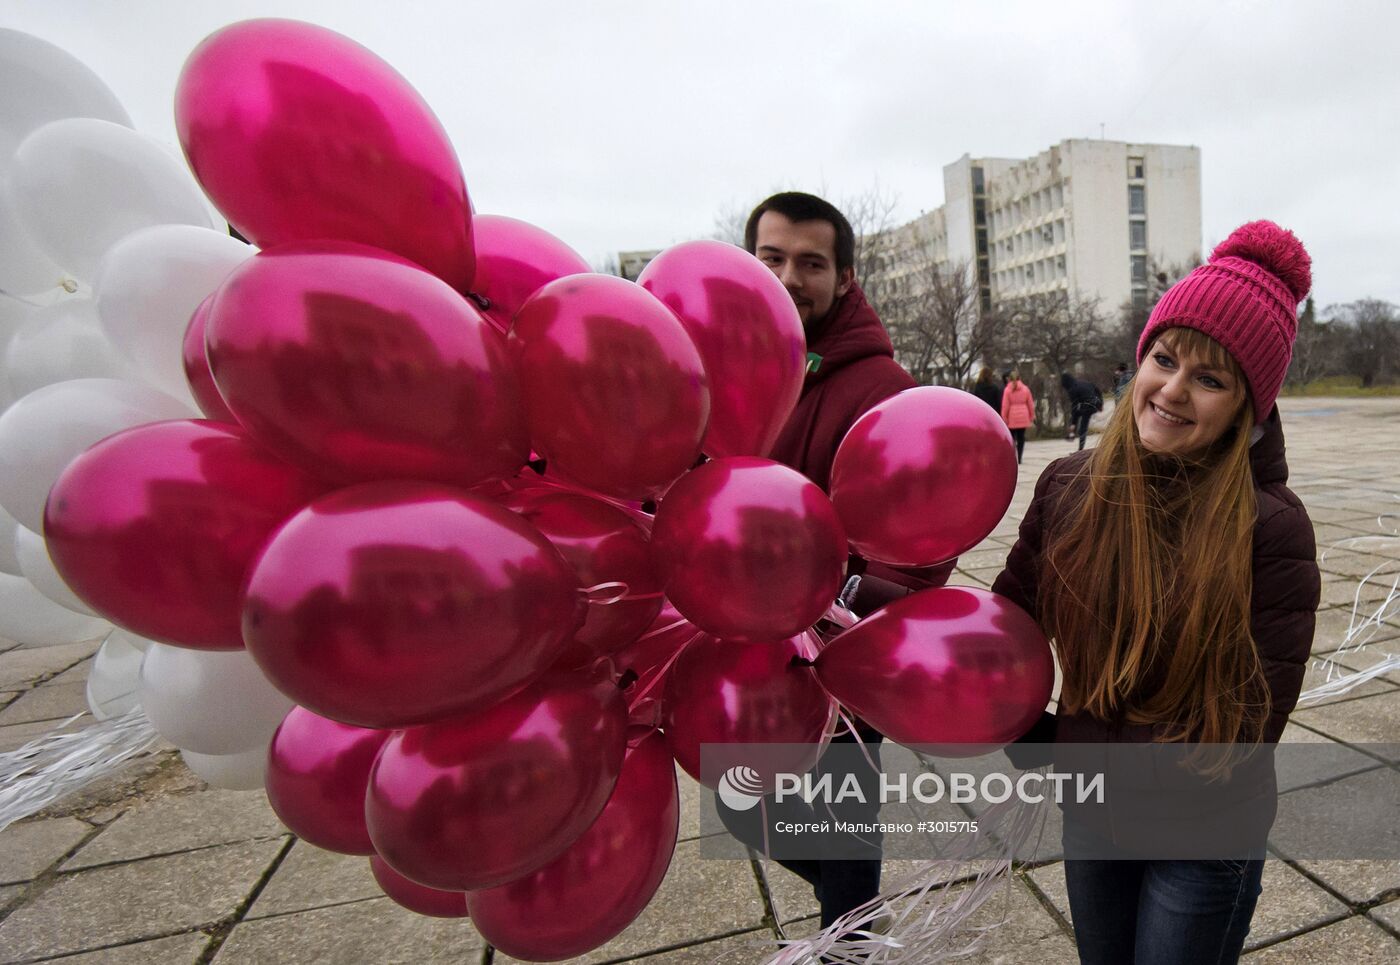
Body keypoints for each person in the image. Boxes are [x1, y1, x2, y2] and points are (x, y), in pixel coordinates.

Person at [992, 221, 1321, 964]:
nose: (1172, 390)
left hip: (1203, 835)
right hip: (1093, 820)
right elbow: (1002, 630)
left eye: (1209, 378)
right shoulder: (1069, 488)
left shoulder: (1269, 527)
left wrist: (1068, 757)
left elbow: (1245, 728)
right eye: (1164, 359)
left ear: (1248, 406)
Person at [723, 190, 949, 930]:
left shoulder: (881, 386)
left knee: (843, 811)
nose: (790, 277)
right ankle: (852, 908)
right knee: (739, 806)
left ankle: (850, 932)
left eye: (811, 263)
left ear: (845, 277)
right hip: (742, 641)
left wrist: (848, 600)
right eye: (773, 257)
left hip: (841, 643)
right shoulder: (731, 367)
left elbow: (924, 535)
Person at [1060, 371, 1103, 451]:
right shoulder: (1084, 382)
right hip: (1095, 404)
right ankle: (1072, 432)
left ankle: (1079, 446)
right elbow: (1097, 390)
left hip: (1088, 406)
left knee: (1082, 426)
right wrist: (1100, 404)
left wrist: (1073, 422)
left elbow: (1074, 406)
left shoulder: (1072, 389)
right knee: (1078, 414)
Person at [1000, 369, 1035, 464]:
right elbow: (1030, 404)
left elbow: (1005, 406)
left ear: (1009, 379)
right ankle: (1020, 457)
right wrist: (1032, 416)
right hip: (1023, 415)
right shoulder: (1025, 389)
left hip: (1012, 416)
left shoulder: (1007, 390)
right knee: (1021, 438)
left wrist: (1004, 418)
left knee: (1012, 438)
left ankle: (1013, 456)